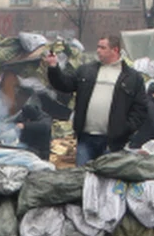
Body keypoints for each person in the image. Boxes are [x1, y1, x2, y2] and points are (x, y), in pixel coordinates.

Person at [44, 34, 146, 165]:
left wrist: (125, 129)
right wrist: (53, 67)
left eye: (103, 48)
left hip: (113, 143)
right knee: (83, 178)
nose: (98, 50)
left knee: (106, 182)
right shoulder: (86, 71)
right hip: (86, 139)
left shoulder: (132, 77)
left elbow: (140, 108)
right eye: (98, 47)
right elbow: (65, 85)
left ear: (115, 50)